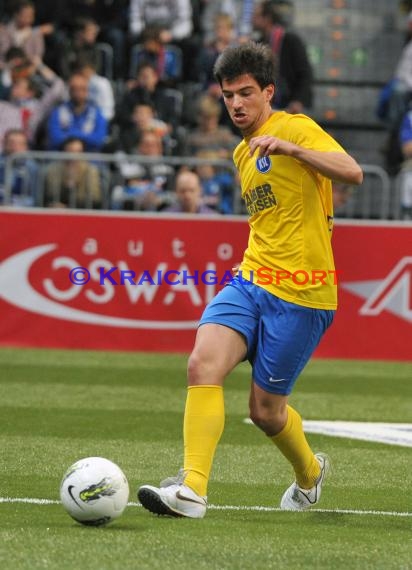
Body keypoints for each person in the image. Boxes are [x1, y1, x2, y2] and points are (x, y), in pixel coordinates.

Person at [137, 42, 363, 518]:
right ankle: (193, 488)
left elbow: (353, 172)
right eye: (228, 96)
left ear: (268, 92)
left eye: (245, 93)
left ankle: (309, 474)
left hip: (303, 293)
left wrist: (293, 149)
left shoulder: (294, 128)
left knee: (265, 412)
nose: (236, 104)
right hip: (251, 281)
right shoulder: (242, 152)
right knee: (202, 364)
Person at [252, 0, 313, 114]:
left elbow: (305, 74)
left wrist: (298, 101)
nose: (252, 19)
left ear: (267, 18)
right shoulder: (258, 43)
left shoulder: (291, 40)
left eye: (256, 16)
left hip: (292, 107)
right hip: (269, 107)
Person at [47, 71, 107, 151]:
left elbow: (98, 139)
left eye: (82, 89)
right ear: (69, 91)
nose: (77, 93)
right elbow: (55, 138)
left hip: (89, 160)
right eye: (74, 89)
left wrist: (72, 135)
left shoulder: (96, 113)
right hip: (62, 159)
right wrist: (82, 138)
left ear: (87, 91)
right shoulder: (57, 112)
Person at [43, 136, 102, 208]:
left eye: (78, 151)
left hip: (83, 214)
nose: (75, 155)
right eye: (71, 151)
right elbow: (49, 196)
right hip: (57, 214)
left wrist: (68, 206)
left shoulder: (91, 171)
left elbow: (95, 200)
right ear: (64, 152)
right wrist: (67, 187)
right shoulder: (53, 170)